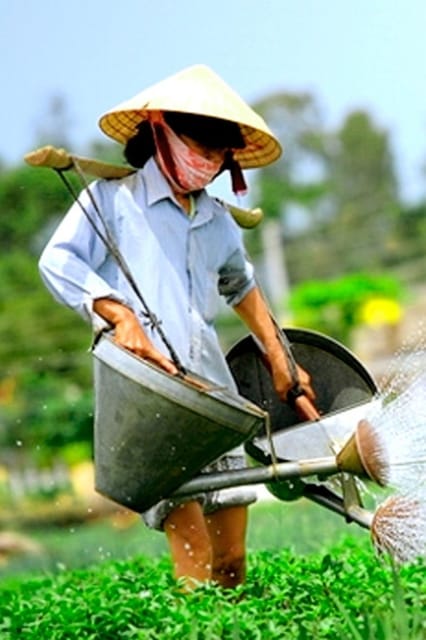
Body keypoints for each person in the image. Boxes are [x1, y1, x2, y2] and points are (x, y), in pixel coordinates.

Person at [39, 65, 315, 591]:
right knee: (195, 564)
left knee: (231, 560)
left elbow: (242, 286)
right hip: (152, 398)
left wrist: (280, 357)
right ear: (161, 130)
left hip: (212, 396)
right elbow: (58, 262)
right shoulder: (111, 200)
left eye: (218, 157)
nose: (207, 164)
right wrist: (117, 314)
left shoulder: (216, 219)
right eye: (200, 149)